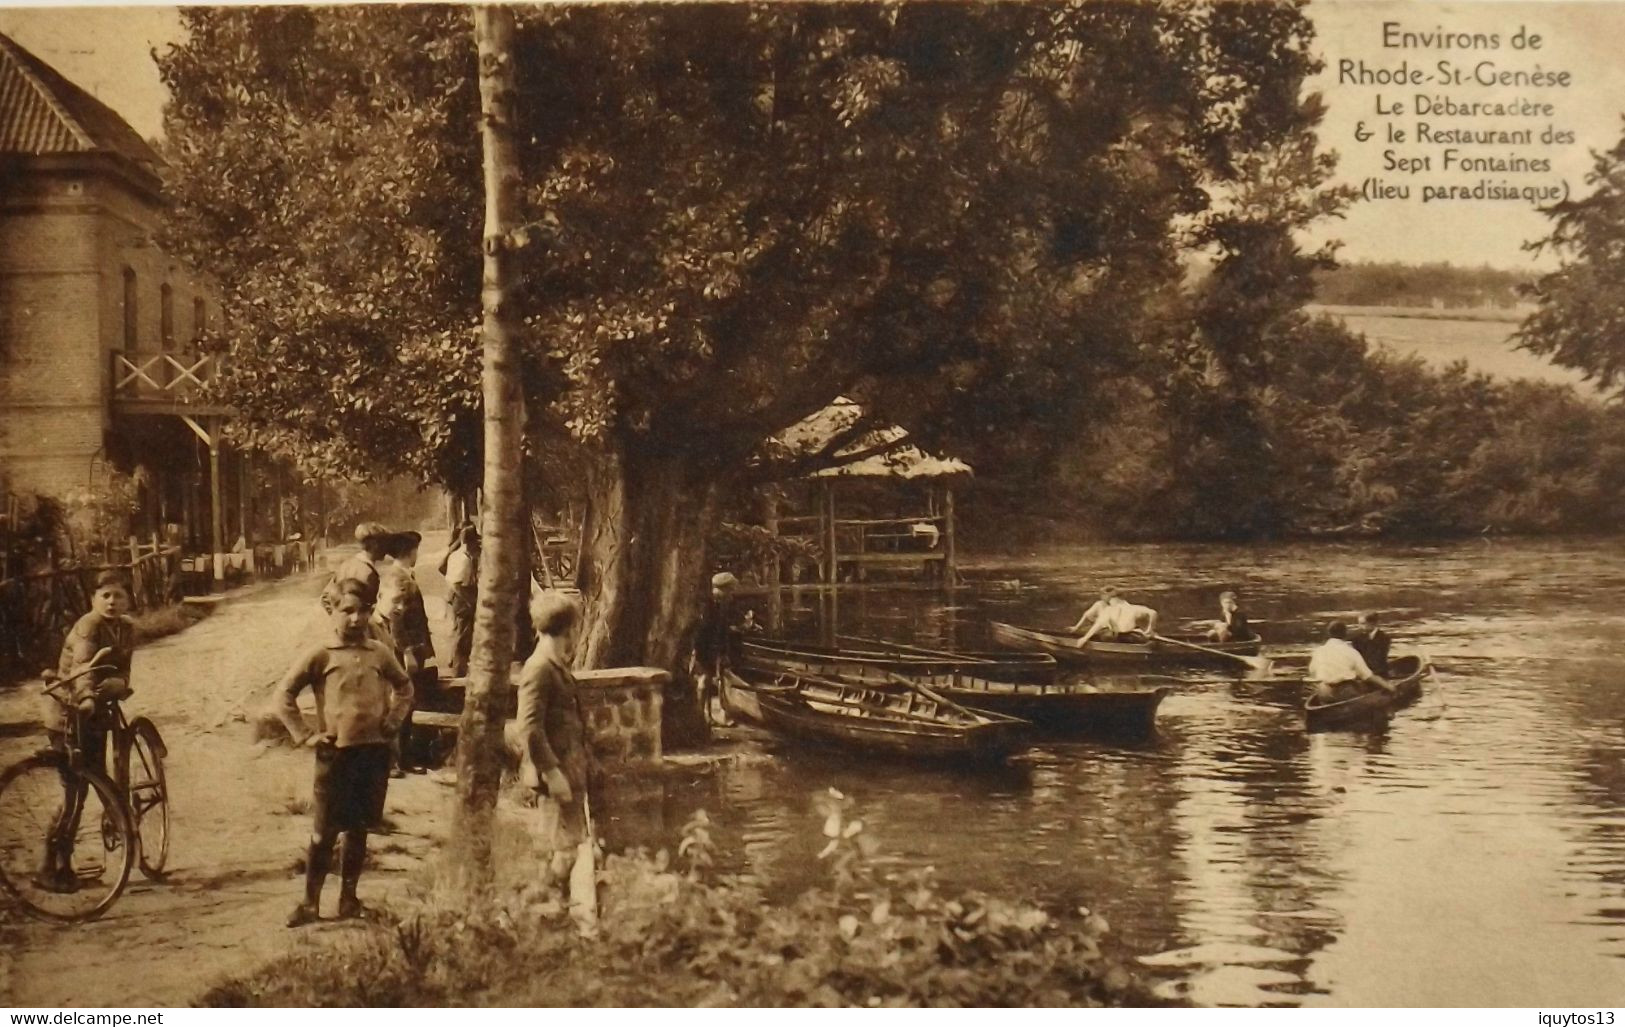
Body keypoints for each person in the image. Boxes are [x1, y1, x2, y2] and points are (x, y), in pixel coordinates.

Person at [277, 577, 413, 927]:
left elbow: (405, 686)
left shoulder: (379, 652)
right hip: (336, 755)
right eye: (347, 611)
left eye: (363, 611)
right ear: (332, 611)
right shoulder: (320, 654)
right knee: (324, 831)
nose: (355, 619)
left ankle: (349, 899)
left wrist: (393, 721)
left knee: (359, 829)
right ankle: (310, 903)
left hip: (373, 754)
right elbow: (284, 696)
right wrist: (306, 736)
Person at [37, 571, 135, 893]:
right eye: (105, 595)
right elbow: (82, 668)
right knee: (73, 790)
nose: (111, 601)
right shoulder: (88, 626)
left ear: (127, 599)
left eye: (118, 595)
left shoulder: (125, 628)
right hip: (69, 713)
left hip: (95, 717)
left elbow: (123, 668)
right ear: (94, 599)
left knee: (95, 779)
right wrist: (88, 697)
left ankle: (69, 858)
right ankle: (52, 865)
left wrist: (121, 683)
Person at [512, 591, 594, 927]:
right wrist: (553, 772)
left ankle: (553, 913)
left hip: (569, 770)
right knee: (562, 850)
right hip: (555, 775)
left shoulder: (556, 665)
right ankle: (530, 913)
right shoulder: (539, 669)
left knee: (568, 848)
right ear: (569, 629)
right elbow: (529, 729)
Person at [375, 563, 430, 777]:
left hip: (395, 679)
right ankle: (388, 762)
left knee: (405, 706)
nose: (400, 607)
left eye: (404, 603)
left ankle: (402, 759)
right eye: (395, 600)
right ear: (380, 595)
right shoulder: (371, 625)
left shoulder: (393, 621)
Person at [693, 571, 744, 727]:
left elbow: (721, 629)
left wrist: (722, 652)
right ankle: (700, 716)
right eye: (730, 589)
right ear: (722, 589)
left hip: (714, 647)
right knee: (704, 680)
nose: (732, 594)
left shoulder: (720, 605)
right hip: (702, 647)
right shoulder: (706, 606)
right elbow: (700, 631)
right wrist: (697, 652)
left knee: (716, 680)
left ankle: (710, 716)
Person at [1306, 620, 1392, 703]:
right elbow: (1368, 675)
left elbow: (1312, 672)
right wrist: (1388, 686)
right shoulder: (1350, 651)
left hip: (1324, 692)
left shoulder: (1318, 651)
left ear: (1329, 634)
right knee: (1363, 687)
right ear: (1345, 634)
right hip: (1345, 693)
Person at [439, 523, 480, 677]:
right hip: (463, 597)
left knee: (462, 632)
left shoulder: (458, 555)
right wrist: (469, 600)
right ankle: (458, 668)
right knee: (462, 634)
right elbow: (456, 584)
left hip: (462, 596)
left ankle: (458, 664)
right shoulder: (462, 559)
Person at [1072, 588, 1159, 646]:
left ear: (1113, 599)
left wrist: (1085, 638)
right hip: (1131, 638)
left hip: (1117, 638)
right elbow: (1153, 613)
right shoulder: (1134, 608)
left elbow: (1098, 624)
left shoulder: (1110, 609)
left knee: (1104, 634)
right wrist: (1150, 629)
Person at [335, 522, 389, 596]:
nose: (387, 548)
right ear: (375, 545)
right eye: (385, 543)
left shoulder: (345, 565)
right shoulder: (369, 574)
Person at [1351, 612, 1392, 678]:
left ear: (1373, 623)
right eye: (1359, 624)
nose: (1360, 626)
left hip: (1379, 673)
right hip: (1362, 672)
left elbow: (1379, 659)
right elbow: (1356, 657)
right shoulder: (1357, 638)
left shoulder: (1384, 638)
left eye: (1363, 624)